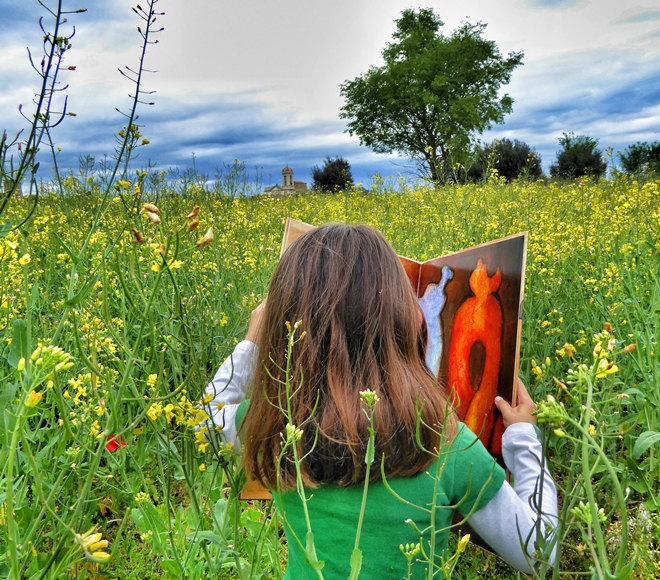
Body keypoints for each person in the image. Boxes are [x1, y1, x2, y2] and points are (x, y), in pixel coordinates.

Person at [204, 223, 557, 579]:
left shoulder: (276, 427)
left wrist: (252, 339)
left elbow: (209, 412)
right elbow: (538, 553)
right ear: (403, 320)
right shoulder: (445, 442)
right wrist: (522, 438)